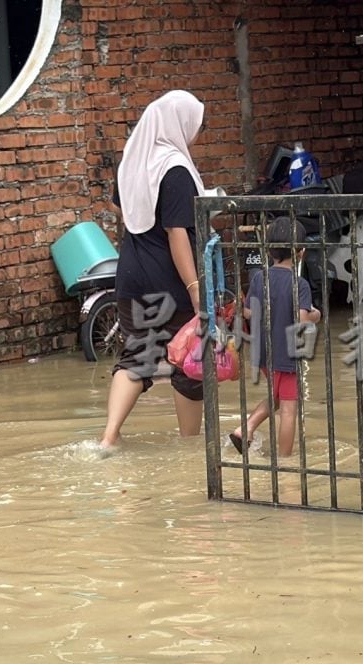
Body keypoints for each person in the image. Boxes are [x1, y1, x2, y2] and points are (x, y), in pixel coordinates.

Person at [100, 90, 206, 448]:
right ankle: (190, 445)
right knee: (190, 361)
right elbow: (178, 234)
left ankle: (109, 436)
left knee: (138, 355)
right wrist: (195, 289)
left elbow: (119, 209)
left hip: (131, 274)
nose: (195, 132)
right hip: (170, 279)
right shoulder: (175, 170)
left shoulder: (133, 161)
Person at [230, 217, 321, 458]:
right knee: (290, 409)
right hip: (287, 355)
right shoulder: (299, 283)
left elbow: (248, 312)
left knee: (277, 398)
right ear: (301, 252)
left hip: (263, 354)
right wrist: (317, 315)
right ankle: (284, 462)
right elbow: (302, 319)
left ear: (269, 250)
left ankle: (246, 429)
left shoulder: (259, 278)